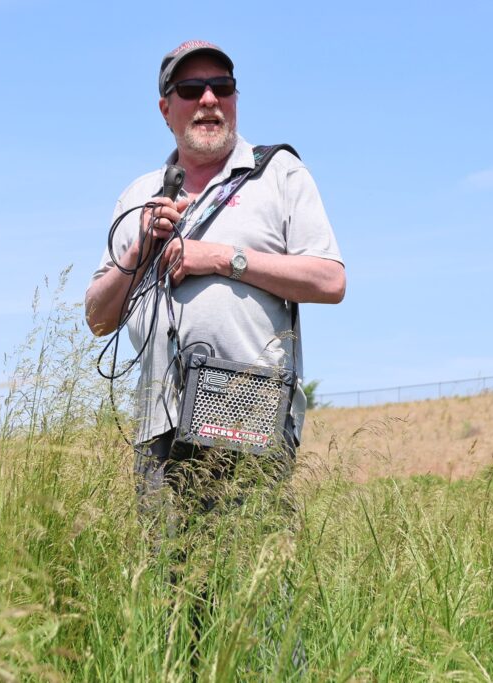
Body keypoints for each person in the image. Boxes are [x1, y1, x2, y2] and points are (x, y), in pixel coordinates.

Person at [86, 38, 345, 518]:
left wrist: (223, 258)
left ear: (235, 98)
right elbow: (98, 319)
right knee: (166, 586)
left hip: (249, 415)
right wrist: (140, 249)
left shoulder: (278, 174)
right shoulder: (138, 195)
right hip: (157, 428)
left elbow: (330, 281)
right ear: (166, 109)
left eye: (221, 86)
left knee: (249, 584)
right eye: (191, 89)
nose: (208, 100)